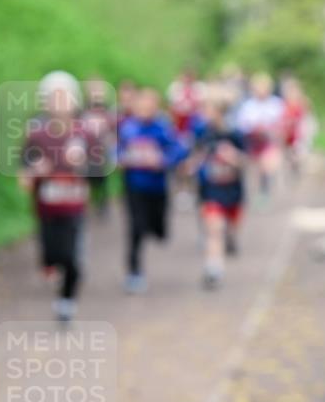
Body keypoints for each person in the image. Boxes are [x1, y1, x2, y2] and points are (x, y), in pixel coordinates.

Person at [20, 71, 92, 321]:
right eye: (54, 98)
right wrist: (34, 173)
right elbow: (24, 175)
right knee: (51, 255)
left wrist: (84, 166)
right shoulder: (36, 135)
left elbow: (102, 171)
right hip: (47, 208)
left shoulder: (85, 134)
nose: (59, 104)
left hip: (74, 206)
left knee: (72, 257)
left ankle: (66, 301)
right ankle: (55, 271)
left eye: (64, 98)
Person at [117, 87, 188, 294]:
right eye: (141, 105)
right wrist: (121, 159)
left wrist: (163, 160)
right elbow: (116, 149)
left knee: (159, 230)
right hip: (134, 186)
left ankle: (155, 228)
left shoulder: (163, 127)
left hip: (157, 186)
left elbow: (179, 149)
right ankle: (134, 272)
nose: (145, 109)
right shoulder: (127, 127)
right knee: (136, 228)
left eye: (149, 105)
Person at [186, 92, 249, 290]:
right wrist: (191, 166)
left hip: (232, 191)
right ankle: (213, 269)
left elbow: (246, 162)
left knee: (228, 228)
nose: (205, 113)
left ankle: (231, 240)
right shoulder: (202, 133)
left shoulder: (235, 134)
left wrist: (233, 158)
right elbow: (194, 157)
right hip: (211, 190)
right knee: (214, 230)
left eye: (209, 109)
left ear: (220, 112)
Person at [236, 72, 285, 197]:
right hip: (253, 142)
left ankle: (265, 191)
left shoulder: (276, 104)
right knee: (255, 171)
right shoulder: (248, 105)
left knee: (267, 167)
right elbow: (242, 124)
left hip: (270, 142)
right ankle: (257, 191)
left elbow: (282, 123)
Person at [80, 77, 116, 218]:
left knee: (102, 178)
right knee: (86, 177)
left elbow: (113, 130)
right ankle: (86, 205)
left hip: (102, 150)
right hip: (86, 151)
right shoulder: (82, 109)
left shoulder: (108, 110)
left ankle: (102, 204)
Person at [281, 77, 316, 179]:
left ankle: (297, 169)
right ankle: (292, 169)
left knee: (299, 153)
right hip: (288, 133)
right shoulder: (285, 103)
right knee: (290, 154)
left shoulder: (304, 102)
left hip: (300, 132)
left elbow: (308, 117)